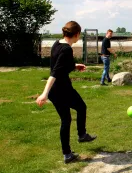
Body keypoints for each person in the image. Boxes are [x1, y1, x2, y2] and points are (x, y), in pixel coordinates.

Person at [36, 21, 97, 163]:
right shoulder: (67, 49)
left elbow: (61, 64)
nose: (79, 38)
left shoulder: (57, 44)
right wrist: (44, 93)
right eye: (79, 35)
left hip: (56, 91)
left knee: (66, 120)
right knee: (81, 107)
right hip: (61, 89)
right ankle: (82, 135)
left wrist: (75, 66)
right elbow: (55, 72)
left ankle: (67, 154)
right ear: (76, 34)